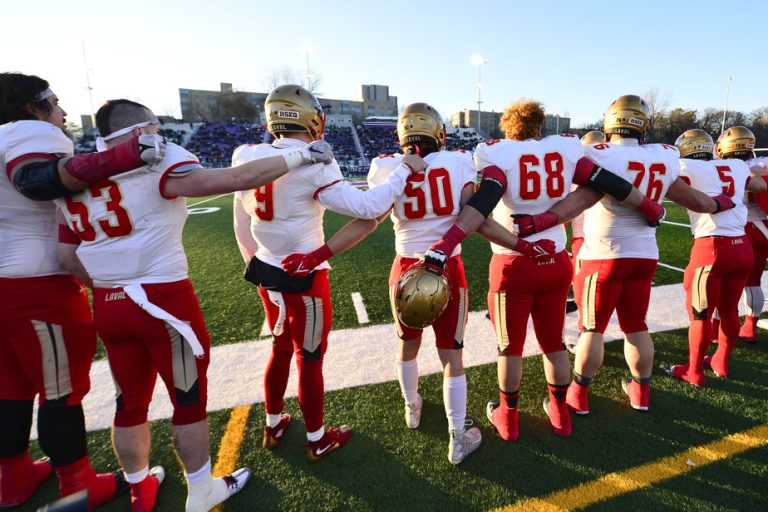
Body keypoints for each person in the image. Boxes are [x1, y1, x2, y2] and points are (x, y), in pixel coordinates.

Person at [55, 98, 332, 511]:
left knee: (128, 402)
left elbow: (64, 258)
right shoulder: (155, 161)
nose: (159, 133)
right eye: (153, 126)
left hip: (109, 303)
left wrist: (108, 286)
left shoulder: (73, 173)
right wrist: (302, 154)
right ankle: (202, 491)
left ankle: (138, 487)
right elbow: (235, 179)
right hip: (162, 301)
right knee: (188, 399)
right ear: (137, 133)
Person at [425, 98, 666, 440]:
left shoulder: (497, 153)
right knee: (553, 343)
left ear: (508, 128)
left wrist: (445, 244)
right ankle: (560, 414)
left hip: (515, 263)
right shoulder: (564, 148)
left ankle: (508, 419)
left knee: (510, 347)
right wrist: (650, 207)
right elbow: (607, 183)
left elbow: (484, 202)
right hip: (556, 260)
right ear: (539, 127)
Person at [232, 85, 426, 462]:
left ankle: (273, 423)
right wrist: (403, 170)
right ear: (308, 117)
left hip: (266, 270)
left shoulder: (247, 154)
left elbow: (242, 223)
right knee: (309, 358)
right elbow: (369, 208)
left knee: (279, 349)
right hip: (304, 275)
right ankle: (317, 438)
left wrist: (256, 259)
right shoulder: (316, 162)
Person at [0, 73, 165, 509]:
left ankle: (12, 477)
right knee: (61, 392)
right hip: (36, 287)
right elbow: (34, 179)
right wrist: (124, 156)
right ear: (32, 106)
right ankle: (77, 484)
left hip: (7, 285)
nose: (63, 111)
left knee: (10, 388)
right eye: (54, 101)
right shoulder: (30, 132)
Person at [366, 103, 553, 463]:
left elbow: (373, 212)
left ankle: (412, 406)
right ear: (439, 133)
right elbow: (477, 218)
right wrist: (521, 245)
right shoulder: (456, 161)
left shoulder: (386, 165)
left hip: (405, 264)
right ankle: (457, 436)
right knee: (452, 355)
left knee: (406, 344)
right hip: (447, 265)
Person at [551, 96, 735, 414]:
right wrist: (720, 204)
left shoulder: (597, 152)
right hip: (644, 254)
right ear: (643, 125)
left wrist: (540, 221)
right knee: (636, 325)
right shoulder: (662, 156)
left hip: (603, 253)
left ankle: (578, 395)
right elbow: (693, 198)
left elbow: (575, 200)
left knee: (592, 328)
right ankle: (641, 393)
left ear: (610, 123)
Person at [662, 129, 765, 385]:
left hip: (711, 248)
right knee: (730, 311)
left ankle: (694, 371)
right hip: (742, 246)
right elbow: (761, 184)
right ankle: (721, 361)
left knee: (700, 314)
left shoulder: (685, 166)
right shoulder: (734, 166)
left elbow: (670, 187)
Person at [717, 127, 768, 343]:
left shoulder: (722, 167)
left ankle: (717, 329)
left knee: (725, 281)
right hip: (765, 226)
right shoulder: (760, 164)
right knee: (753, 282)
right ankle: (749, 326)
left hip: (741, 229)